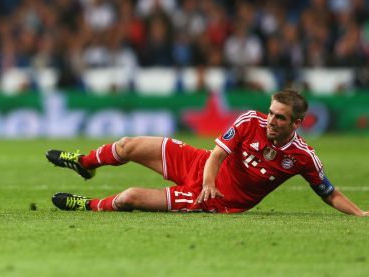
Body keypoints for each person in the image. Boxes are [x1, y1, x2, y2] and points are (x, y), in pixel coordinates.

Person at [46, 89, 368, 215]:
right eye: (270, 112)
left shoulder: (302, 157)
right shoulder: (249, 121)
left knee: (129, 196)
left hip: (215, 199)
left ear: (296, 123)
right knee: (127, 144)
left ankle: (86, 205)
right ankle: (85, 163)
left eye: (280, 117)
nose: (270, 120)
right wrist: (209, 177)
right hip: (201, 166)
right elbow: (216, 155)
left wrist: (359, 214)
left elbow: (328, 192)